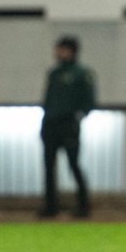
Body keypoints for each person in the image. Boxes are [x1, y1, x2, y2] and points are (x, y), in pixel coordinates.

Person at [40, 36, 96, 218]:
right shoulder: (54, 73)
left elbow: (89, 99)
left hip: (69, 124)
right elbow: (48, 99)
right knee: (49, 166)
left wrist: (79, 116)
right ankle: (50, 207)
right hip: (51, 124)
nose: (57, 53)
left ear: (70, 51)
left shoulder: (82, 73)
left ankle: (83, 206)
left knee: (73, 164)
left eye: (61, 49)